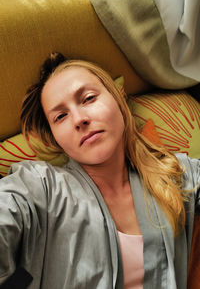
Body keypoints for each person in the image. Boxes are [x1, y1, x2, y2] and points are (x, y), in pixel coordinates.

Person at [0, 52, 199, 289]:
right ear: (55, 138)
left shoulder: (178, 173)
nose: (79, 119)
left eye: (88, 98)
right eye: (60, 116)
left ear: (117, 99)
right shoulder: (40, 186)